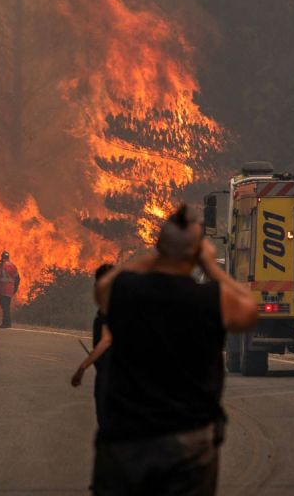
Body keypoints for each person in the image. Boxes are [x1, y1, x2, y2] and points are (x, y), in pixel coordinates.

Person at [92, 206, 259, 496]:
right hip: (189, 439)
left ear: (159, 246)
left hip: (125, 436)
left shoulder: (127, 291)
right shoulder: (212, 299)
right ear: (196, 253)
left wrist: (154, 255)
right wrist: (210, 266)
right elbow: (250, 310)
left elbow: (102, 287)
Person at [71, 263, 114, 429]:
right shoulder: (124, 303)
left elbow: (106, 340)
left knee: (107, 422)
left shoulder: (109, 307)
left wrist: (82, 367)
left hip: (110, 374)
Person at [0, 250, 21, 328]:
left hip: (2, 289)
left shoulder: (0, 266)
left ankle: (6, 323)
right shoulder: (13, 266)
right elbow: (17, 278)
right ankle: (7, 323)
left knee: (4, 306)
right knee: (6, 306)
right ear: (8, 257)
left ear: (2, 257)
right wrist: (15, 288)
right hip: (10, 290)